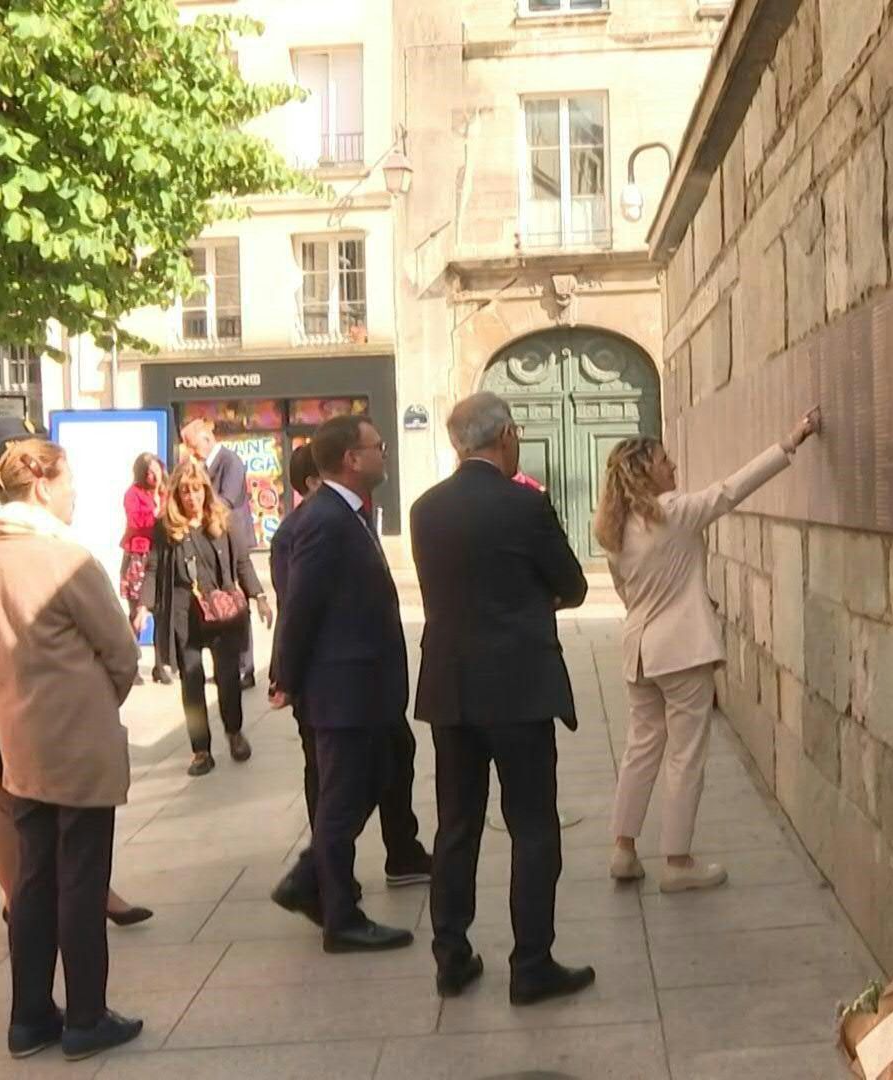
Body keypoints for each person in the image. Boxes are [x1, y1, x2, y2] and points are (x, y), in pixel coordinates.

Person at [0, 440, 145, 1061]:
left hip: (20, 736)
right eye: (68, 483)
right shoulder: (64, 559)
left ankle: (30, 1017)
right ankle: (87, 1019)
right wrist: (95, 701)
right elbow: (121, 652)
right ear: (41, 485)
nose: (74, 495)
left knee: (34, 880)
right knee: (84, 878)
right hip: (78, 739)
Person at [410, 392, 591, 1004]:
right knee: (533, 825)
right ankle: (532, 963)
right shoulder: (526, 506)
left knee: (456, 826)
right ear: (507, 435)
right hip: (520, 689)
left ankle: (451, 957)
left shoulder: (425, 510)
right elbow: (572, 584)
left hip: (453, 691)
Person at [596, 409, 821, 893]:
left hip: (639, 650)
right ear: (644, 472)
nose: (673, 465)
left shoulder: (615, 532)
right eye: (663, 460)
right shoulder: (674, 514)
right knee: (685, 755)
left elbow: (625, 593)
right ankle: (677, 862)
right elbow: (730, 490)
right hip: (682, 651)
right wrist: (789, 441)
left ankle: (624, 849)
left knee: (641, 749)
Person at [0, 418, 149, 930]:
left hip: (47, 693)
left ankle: (81, 897)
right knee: (2, 793)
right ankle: (21, 896)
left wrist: (92, 696)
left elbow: (116, 652)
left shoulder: (38, 534)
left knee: (64, 831)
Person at [267, 415, 418, 953]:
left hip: (363, 686)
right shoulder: (325, 521)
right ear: (351, 460)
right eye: (376, 446)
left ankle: (311, 883)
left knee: (370, 781)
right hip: (343, 688)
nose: (384, 453)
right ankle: (339, 916)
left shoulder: (347, 514)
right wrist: (286, 677)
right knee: (340, 801)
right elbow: (300, 607)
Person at [133, 461, 272, 777]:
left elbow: (243, 564)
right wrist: (143, 607)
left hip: (222, 616)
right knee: (192, 683)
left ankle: (234, 733)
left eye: (197, 490)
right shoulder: (166, 527)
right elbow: (153, 568)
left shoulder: (224, 521)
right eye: (185, 491)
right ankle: (201, 750)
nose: (192, 497)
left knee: (227, 678)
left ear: (206, 491)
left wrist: (260, 597)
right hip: (185, 617)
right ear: (176, 494)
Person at [180, 418, 257, 687]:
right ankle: (229, 664)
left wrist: (205, 510)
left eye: (193, 444)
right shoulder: (201, 465)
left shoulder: (230, 461)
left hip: (232, 538)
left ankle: (245, 667)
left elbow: (228, 498)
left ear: (207, 439)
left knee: (238, 605)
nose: (191, 450)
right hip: (212, 539)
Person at [119, 453, 174, 686]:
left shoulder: (167, 492)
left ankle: (161, 665)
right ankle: (131, 665)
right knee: (137, 611)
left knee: (162, 609)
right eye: (148, 472)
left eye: (156, 471)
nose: (153, 476)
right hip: (138, 554)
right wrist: (155, 513)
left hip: (162, 552)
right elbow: (136, 521)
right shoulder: (133, 494)